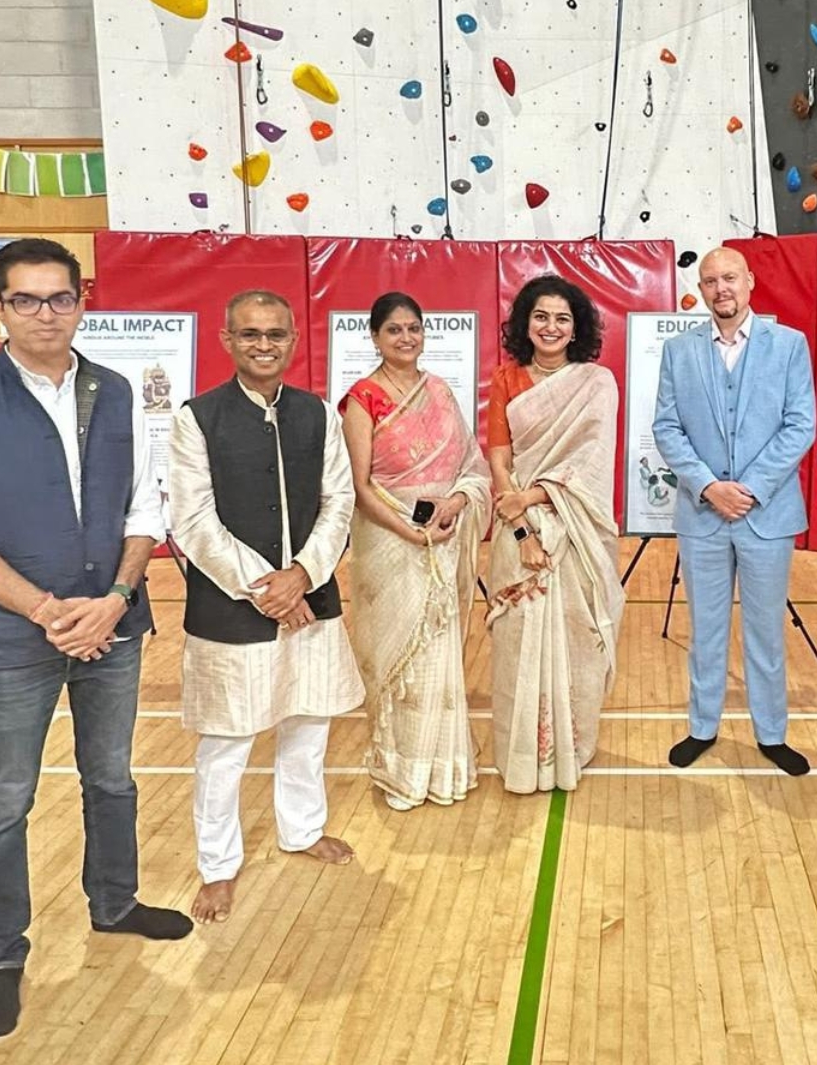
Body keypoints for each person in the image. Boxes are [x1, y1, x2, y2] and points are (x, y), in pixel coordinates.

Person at [0, 238, 190, 1041]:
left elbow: (144, 508)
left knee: (112, 778)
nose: (45, 314)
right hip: (11, 640)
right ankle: (2, 956)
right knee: (6, 799)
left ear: (82, 301)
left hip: (111, 624)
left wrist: (113, 601)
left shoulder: (114, 391)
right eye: (26, 300)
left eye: (59, 298)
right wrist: (48, 612)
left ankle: (115, 902)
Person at [169, 290, 364, 925]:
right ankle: (218, 866)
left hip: (311, 596)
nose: (263, 345)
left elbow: (339, 501)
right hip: (232, 608)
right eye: (250, 334)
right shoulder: (197, 418)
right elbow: (193, 521)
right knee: (226, 743)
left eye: (276, 334)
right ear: (227, 339)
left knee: (307, 721)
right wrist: (268, 589)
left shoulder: (318, 415)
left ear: (293, 341)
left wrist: (303, 575)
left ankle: (302, 830)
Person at [651, 247, 817, 775]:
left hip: (766, 514)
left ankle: (771, 734)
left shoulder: (789, 345)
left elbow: (800, 424)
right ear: (701, 289)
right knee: (705, 628)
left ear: (750, 281)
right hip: (702, 516)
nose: (720, 288)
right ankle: (702, 727)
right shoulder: (679, 351)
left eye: (729, 277)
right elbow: (666, 427)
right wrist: (708, 487)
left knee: (766, 629)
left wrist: (747, 489)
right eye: (710, 280)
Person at [339, 292, 491, 810]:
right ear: (375, 337)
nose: (406, 338)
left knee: (438, 655)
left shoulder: (440, 391)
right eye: (394, 330)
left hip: (441, 537)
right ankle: (403, 771)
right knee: (399, 657)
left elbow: (472, 466)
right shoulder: (363, 399)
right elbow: (360, 486)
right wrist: (409, 532)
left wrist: (456, 502)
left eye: (414, 328)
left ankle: (445, 768)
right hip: (391, 544)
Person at [485, 275, 626, 793]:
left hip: (574, 527)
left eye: (562, 318)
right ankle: (523, 754)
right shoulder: (506, 379)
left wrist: (533, 497)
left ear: (576, 327)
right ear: (525, 323)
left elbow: (591, 463)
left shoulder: (596, 383)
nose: (551, 327)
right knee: (518, 642)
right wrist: (522, 527)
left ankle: (571, 746)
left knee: (577, 638)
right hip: (517, 529)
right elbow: (499, 460)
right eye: (540, 316)